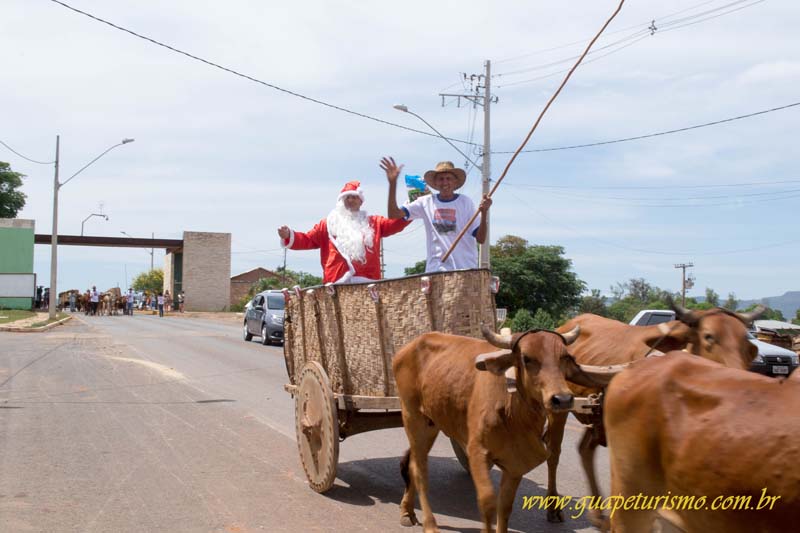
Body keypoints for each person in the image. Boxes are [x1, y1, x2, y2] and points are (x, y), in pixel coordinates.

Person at [277, 179, 410, 284]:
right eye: (347, 197)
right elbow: (308, 240)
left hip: (368, 283)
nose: (351, 200)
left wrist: (411, 207)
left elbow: (395, 224)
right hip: (337, 283)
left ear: (361, 201)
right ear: (342, 201)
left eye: (354, 197)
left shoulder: (374, 222)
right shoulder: (329, 223)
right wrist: (288, 235)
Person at [384, 157, 491, 272]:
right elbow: (393, 214)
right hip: (436, 270)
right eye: (441, 179)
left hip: (464, 269)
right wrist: (393, 184)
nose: (445, 182)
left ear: (455, 182)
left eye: (448, 178)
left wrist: (484, 212)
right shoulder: (425, 202)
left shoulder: (465, 202)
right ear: (435, 183)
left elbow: (481, 238)